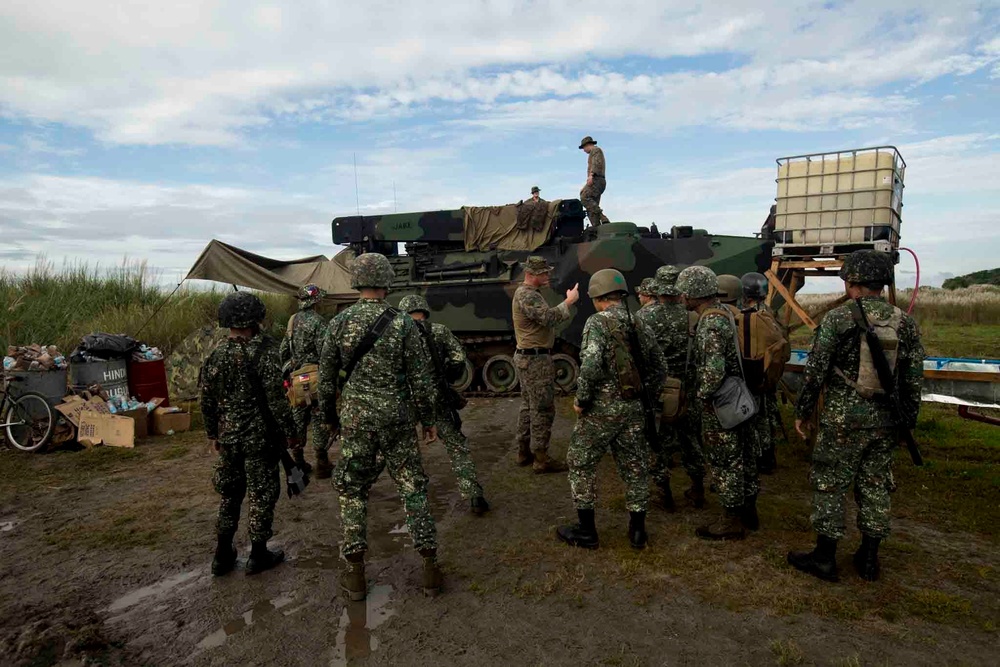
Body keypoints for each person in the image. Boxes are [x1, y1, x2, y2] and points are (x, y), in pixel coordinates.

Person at [788, 250, 924, 583]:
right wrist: (907, 421)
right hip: (886, 421)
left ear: (851, 282)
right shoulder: (904, 322)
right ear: (882, 283)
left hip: (843, 420)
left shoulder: (839, 319)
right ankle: (869, 558)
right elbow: (913, 378)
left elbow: (815, 371)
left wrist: (803, 413)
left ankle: (824, 557)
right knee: (876, 485)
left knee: (830, 484)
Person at [318, 253, 443, 600]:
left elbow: (326, 380)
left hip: (357, 420)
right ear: (387, 282)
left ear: (356, 281)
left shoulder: (338, 323)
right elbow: (421, 377)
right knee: (412, 487)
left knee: (354, 489)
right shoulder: (403, 323)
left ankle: (355, 574)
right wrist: (428, 420)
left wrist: (329, 417)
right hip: (397, 417)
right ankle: (430, 569)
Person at [557, 269, 667, 550]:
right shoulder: (638, 322)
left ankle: (586, 531)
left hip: (601, 412)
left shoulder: (597, 323)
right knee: (635, 467)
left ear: (597, 297)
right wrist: (646, 395)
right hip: (634, 409)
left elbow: (591, 366)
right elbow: (659, 367)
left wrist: (581, 400)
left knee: (580, 461)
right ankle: (638, 531)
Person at [200, 291, 298, 577]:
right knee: (261, 493)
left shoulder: (216, 356)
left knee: (230, 494)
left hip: (229, 438)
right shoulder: (266, 353)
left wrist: (212, 434)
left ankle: (222, 555)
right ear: (256, 319)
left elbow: (206, 400)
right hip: (261, 440)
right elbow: (277, 401)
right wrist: (291, 433)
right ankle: (258, 554)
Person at [677, 265, 759, 540]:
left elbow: (713, 371)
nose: (682, 297)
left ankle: (731, 520)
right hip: (735, 398)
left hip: (720, 402)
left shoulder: (710, 322)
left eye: (684, 292)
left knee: (726, 460)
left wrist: (701, 397)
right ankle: (748, 509)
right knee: (743, 455)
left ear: (694, 293)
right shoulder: (723, 313)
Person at [399, 294, 490, 516]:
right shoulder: (438, 331)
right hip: (437, 398)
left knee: (405, 450)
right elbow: (459, 357)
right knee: (456, 446)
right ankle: (473, 496)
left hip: (408, 401)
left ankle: (415, 501)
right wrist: (447, 376)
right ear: (424, 310)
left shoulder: (397, 334)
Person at [511, 256, 580, 473]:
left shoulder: (529, 294)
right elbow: (549, 318)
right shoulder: (527, 295)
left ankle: (524, 452)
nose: (548, 276)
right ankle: (541, 459)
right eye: (544, 273)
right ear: (531, 274)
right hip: (535, 360)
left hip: (529, 357)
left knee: (528, 406)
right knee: (543, 409)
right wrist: (569, 301)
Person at [655, 264, 707, 508]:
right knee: (691, 440)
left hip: (661, 391)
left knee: (659, 442)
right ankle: (698, 489)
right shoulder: (695, 317)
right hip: (689, 389)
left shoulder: (645, 317)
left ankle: (664, 493)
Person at [279, 284, 333, 478]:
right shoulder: (319, 323)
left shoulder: (292, 321)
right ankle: (322, 462)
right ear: (316, 301)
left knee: (297, 418)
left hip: (296, 379)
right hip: (316, 378)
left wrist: (289, 370)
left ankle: (299, 462)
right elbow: (325, 354)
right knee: (319, 418)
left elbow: (283, 351)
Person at [634, 277, 676, 511]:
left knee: (652, 436)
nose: (638, 296)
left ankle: (662, 490)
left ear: (647, 295)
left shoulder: (642, 318)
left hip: (652, 387)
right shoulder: (675, 312)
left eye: (641, 293)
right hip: (675, 381)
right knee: (672, 429)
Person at [740, 272, 780, 474]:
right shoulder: (770, 312)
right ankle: (768, 456)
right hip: (769, 373)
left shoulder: (746, 314)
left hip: (752, 371)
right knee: (767, 415)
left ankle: (758, 457)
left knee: (754, 416)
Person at [579, 136, 610, 226]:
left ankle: (602, 216)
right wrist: (585, 186)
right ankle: (597, 228)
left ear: (588, 145)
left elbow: (597, 163)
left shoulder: (596, 151)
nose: (583, 150)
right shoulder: (592, 153)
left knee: (584, 197)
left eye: (583, 147)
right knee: (591, 209)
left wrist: (591, 175)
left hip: (597, 179)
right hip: (597, 180)